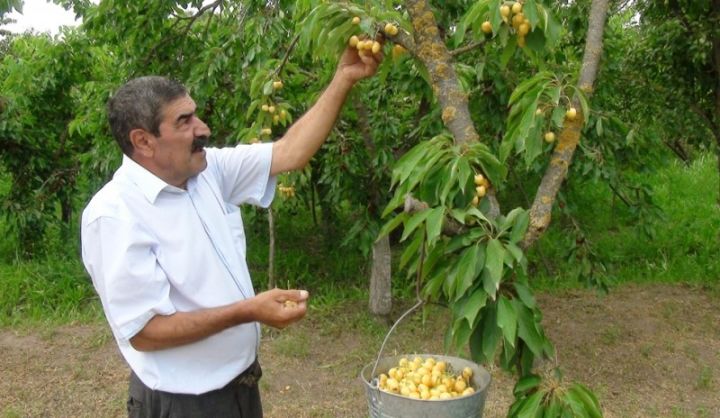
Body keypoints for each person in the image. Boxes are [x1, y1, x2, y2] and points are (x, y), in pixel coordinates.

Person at [80, 45, 382, 418]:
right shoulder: (114, 216)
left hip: (240, 388)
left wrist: (344, 78)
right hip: (183, 405)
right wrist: (247, 311)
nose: (202, 129)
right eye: (184, 121)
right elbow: (146, 332)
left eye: (196, 115)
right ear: (143, 141)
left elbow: (290, 152)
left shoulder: (208, 171)